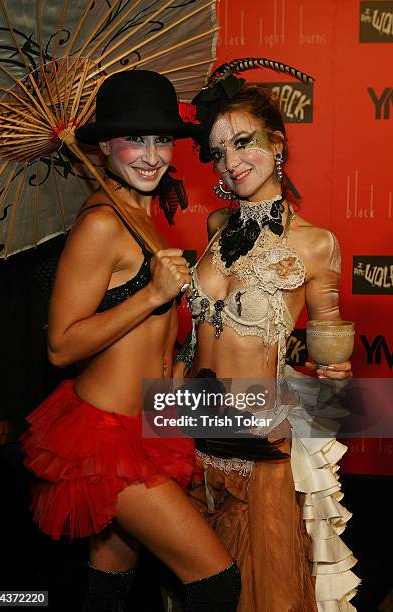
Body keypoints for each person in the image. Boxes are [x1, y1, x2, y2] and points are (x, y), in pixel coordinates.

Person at [21, 70, 241, 612]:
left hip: (148, 425)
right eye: (134, 139)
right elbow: (60, 346)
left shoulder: (142, 215)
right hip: (104, 440)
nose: (150, 155)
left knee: (112, 582)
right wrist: (149, 296)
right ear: (102, 145)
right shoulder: (100, 222)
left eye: (160, 139)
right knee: (216, 581)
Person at [175, 59, 360, 611]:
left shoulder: (316, 244)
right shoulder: (213, 228)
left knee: (260, 592)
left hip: (259, 438)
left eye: (243, 142)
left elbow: (331, 361)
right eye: (218, 151)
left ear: (277, 143)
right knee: (193, 586)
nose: (231, 163)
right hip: (190, 425)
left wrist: (333, 376)